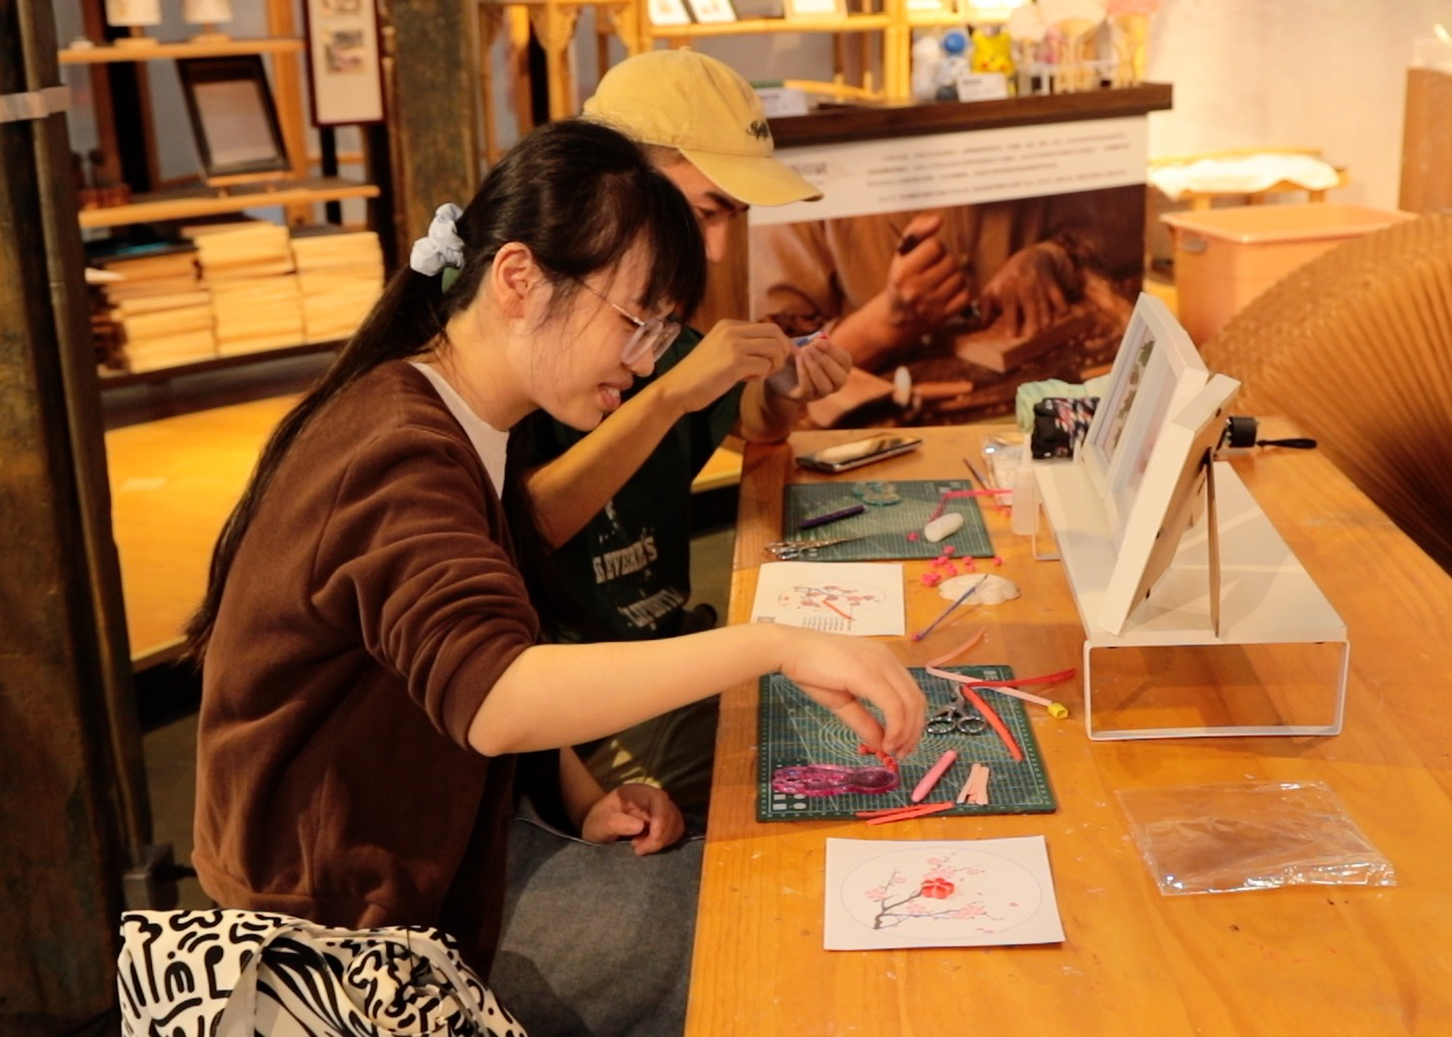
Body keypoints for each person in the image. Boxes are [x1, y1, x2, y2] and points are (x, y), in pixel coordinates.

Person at [186, 120, 925, 1035]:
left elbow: (482, 652)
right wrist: (772, 644)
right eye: (637, 321)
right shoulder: (399, 449)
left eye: (663, 329)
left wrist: (581, 796)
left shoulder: (458, 418)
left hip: (446, 852)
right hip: (344, 941)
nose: (648, 357)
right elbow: (495, 690)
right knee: (766, 933)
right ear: (518, 280)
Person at [512, 49, 852, 812]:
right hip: (580, 705)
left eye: (733, 214)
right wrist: (664, 397)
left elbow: (746, 423)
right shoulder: (533, 345)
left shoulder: (659, 335)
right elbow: (519, 527)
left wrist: (786, 390)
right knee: (814, 753)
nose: (718, 248)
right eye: (704, 211)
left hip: (665, 658)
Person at [751, 192, 1145, 423]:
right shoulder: (803, 194)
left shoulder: (1011, 137)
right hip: (878, 431)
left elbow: (1106, 237)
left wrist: (1051, 258)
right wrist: (886, 321)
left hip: (1023, 408)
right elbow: (779, 377)